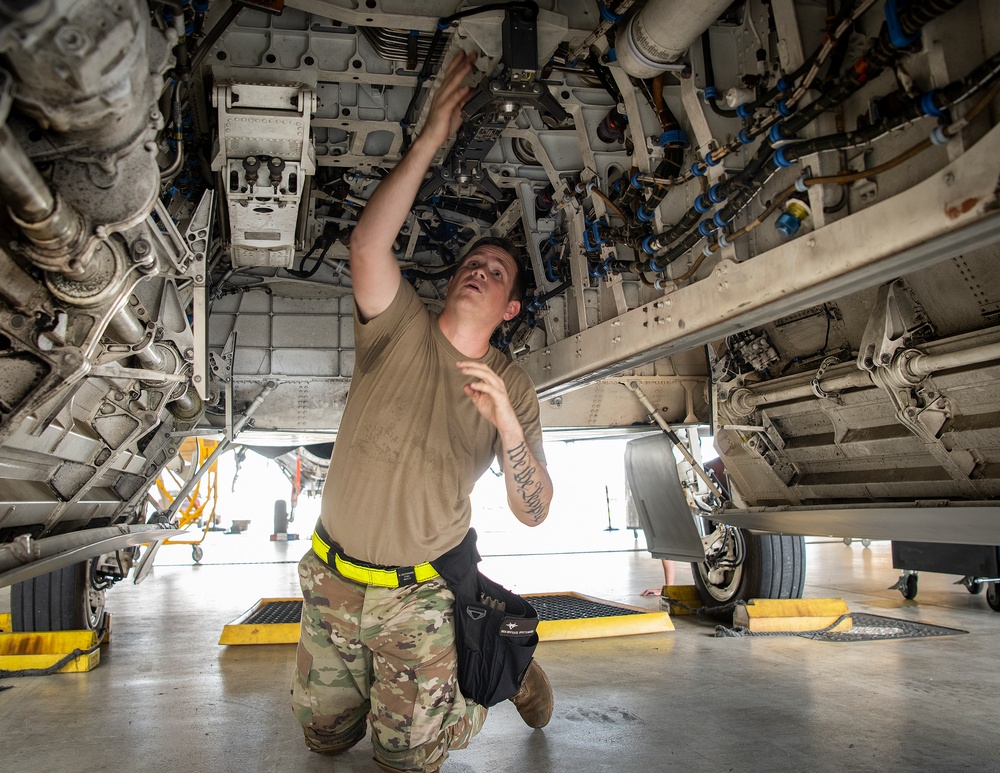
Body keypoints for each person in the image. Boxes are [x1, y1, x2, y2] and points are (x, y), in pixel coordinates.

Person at [290, 50, 555, 773]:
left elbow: (534, 510)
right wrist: (430, 139)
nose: (480, 267)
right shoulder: (398, 324)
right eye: (474, 260)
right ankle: (454, 675)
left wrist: (505, 424)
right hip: (333, 580)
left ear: (510, 308)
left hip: (419, 599)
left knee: (403, 761)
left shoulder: (512, 383)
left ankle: (502, 671)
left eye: (497, 271)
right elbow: (368, 246)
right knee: (324, 739)